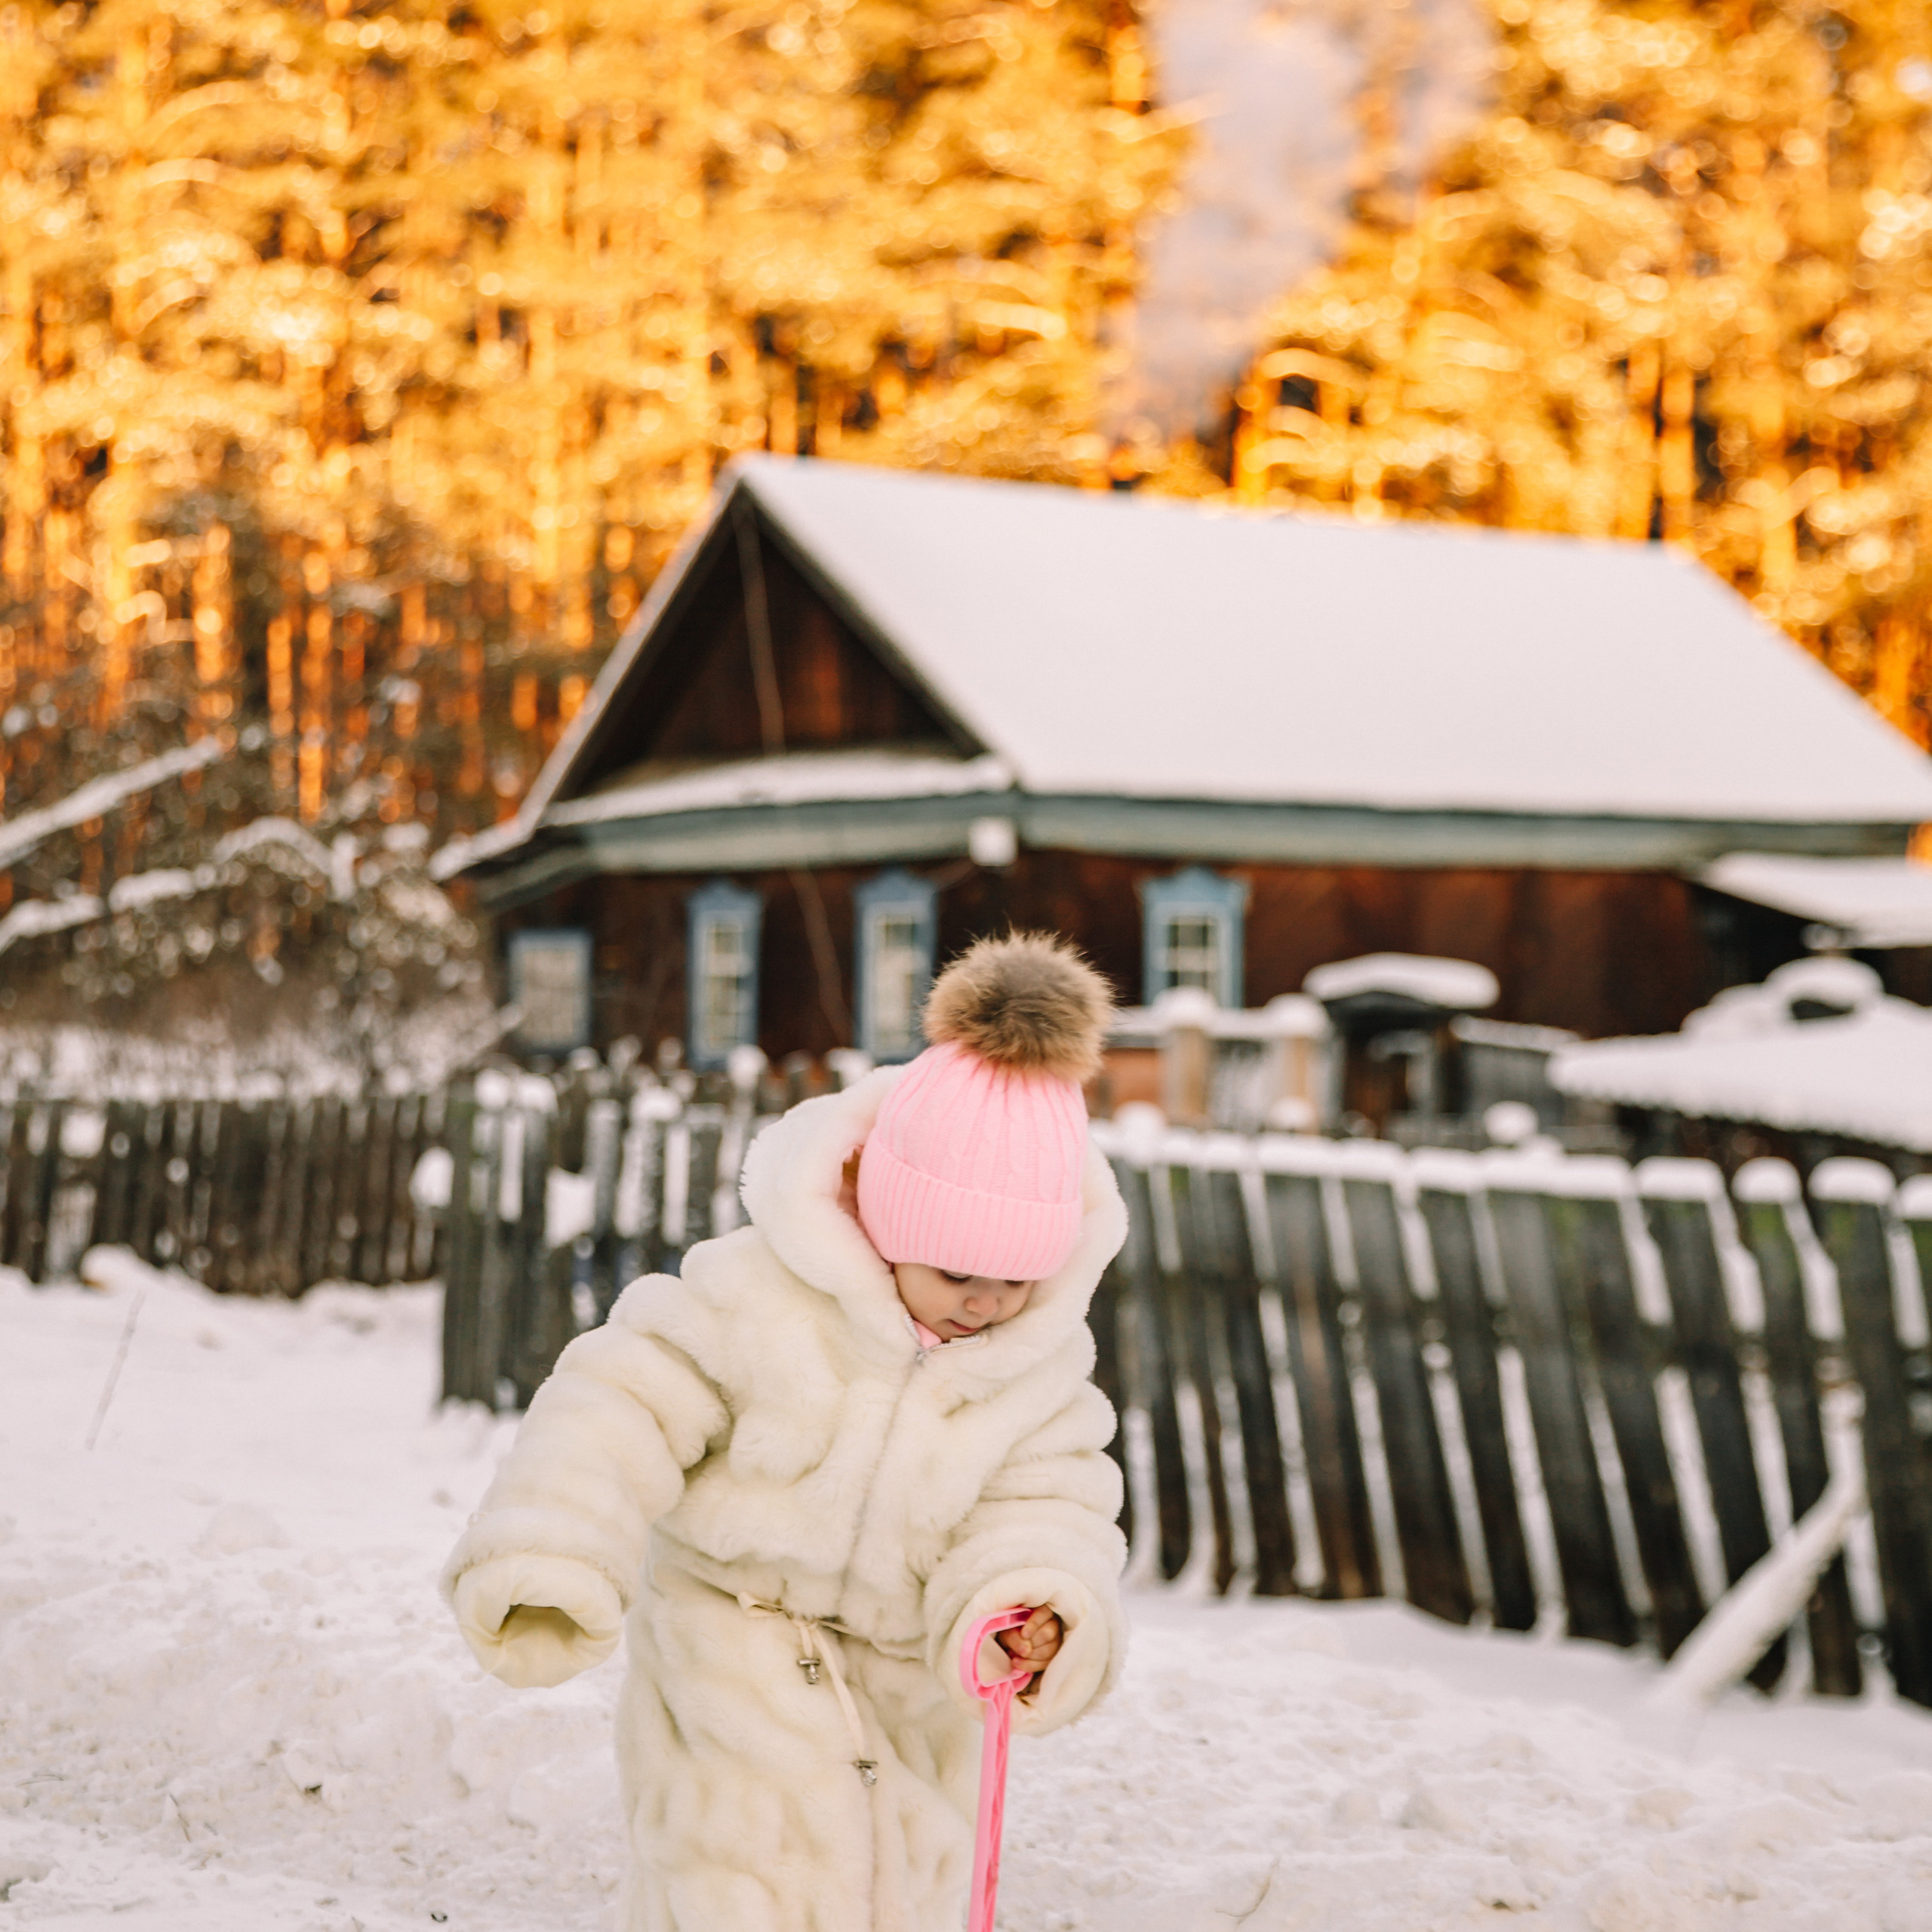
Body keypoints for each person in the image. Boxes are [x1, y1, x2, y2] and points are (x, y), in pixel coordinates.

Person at [442, 931, 1131, 1931]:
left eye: (1014, 1280)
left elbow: (1052, 1507)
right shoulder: (755, 1302)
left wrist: (1034, 1605)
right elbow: (620, 1402)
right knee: (725, 1888)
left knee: (897, 1902)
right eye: (955, 1274)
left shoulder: (1039, 1373)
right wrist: (560, 1540)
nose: (985, 1305)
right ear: (881, 1215)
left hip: (910, 1703)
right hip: (733, 1649)